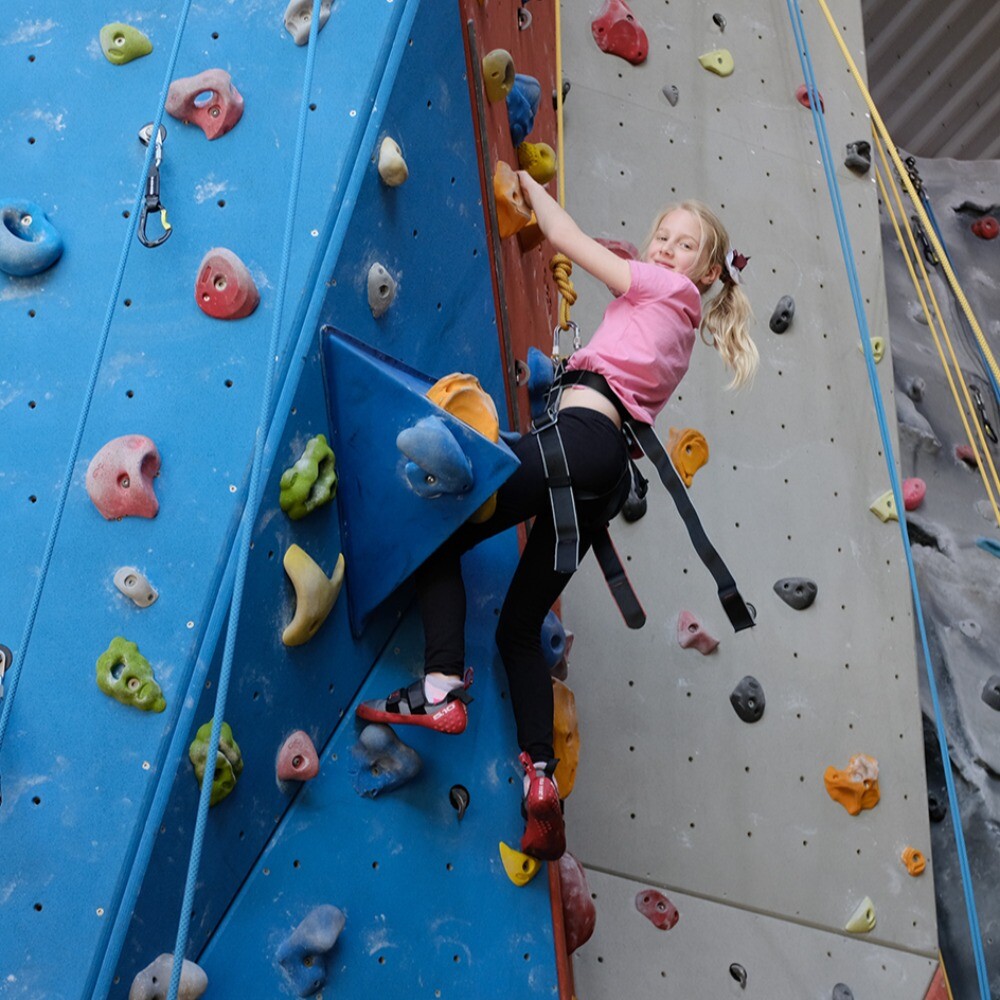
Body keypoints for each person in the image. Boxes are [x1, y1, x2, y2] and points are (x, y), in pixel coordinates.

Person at [358, 171, 759, 860]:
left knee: (439, 530)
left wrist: (526, 183)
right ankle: (540, 780)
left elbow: (564, 238)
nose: (664, 248)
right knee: (519, 631)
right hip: (598, 483)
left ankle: (440, 685)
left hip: (577, 446)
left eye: (683, 244)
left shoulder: (667, 288)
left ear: (707, 267)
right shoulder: (681, 321)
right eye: (660, 236)